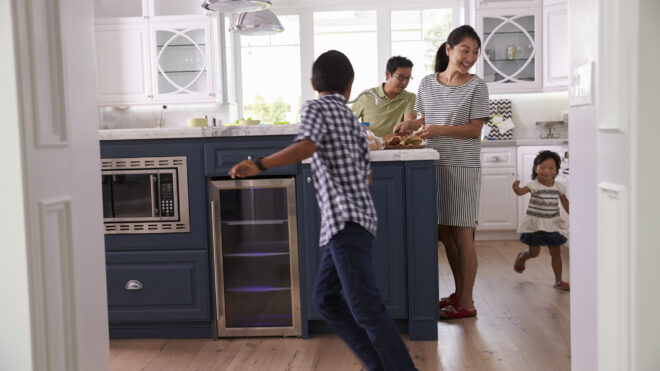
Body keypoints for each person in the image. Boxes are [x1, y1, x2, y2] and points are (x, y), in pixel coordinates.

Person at [229, 50, 417, 371]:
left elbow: (306, 146)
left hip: (343, 221)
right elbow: (367, 176)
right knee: (326, 300)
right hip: (353, 221)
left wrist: (259, 163)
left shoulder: (314, 107)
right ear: (350, 86)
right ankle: (378, 365)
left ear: (313, 83)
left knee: (365, 307)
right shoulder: (352, 120)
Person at [393, 25, 489, 320]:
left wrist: (438, 129)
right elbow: (425, 119)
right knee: (445, 232)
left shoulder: (477, 86)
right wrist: (410, 126)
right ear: (449, 50)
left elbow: (475, 128)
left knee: (462, 233)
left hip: (462, 165)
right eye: (464, 50)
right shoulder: (426, 83)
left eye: (474, 52)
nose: (470, 57)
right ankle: (459, 295)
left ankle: (468, 303)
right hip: (433, 163)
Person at [512, 150, 570, 291]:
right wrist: (516, 188)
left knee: (556, 253)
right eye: (542, 167)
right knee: (534, 253)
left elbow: (565, 203)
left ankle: (559, 281)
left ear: (556, 170)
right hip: (535, 226)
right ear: (535, 168)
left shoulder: (559, 187)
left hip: (551, 225)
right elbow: (521, 192)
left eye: (551, 168)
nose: (546, 171)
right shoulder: (533, 185)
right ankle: (522, 257)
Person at [351, 56, 417, 137]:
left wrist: (406, 132)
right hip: (373, 147)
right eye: (400, 77)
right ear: (388, 74)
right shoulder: (366, 96)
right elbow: (347, 122)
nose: (405, 82)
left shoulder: (410, 98)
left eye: (407, 78)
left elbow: (409, 124)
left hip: (397, 148)